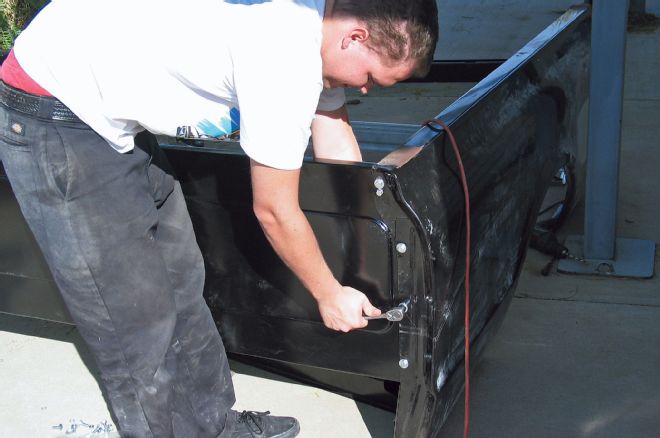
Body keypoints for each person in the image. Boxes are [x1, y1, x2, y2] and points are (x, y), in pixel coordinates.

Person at [0, 0, 438, 436]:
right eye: (371, 78)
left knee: (182, 276)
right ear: (355, 37)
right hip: (55, 111)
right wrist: (327, 293)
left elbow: (337, 148)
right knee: (133, 318)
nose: (365, 89)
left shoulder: (322, 27)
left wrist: (366, 256)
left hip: (109, 109)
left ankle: (214, 426)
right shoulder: (282, 57)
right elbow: (273, 210)